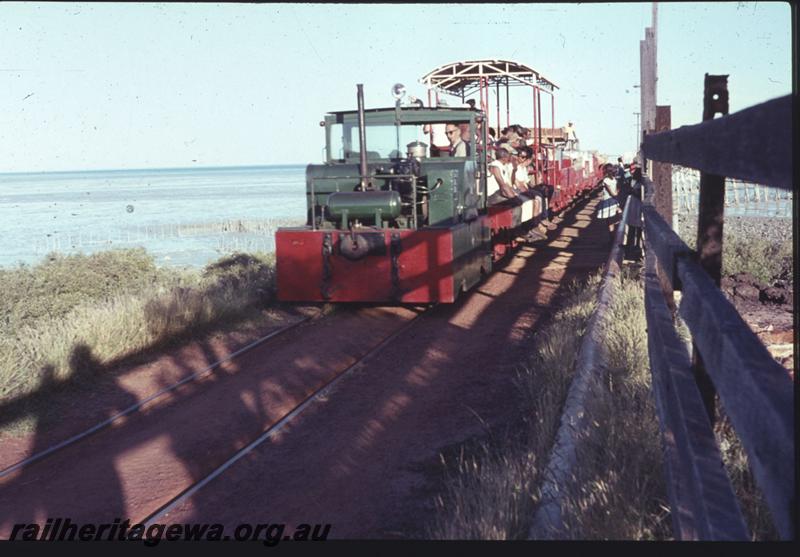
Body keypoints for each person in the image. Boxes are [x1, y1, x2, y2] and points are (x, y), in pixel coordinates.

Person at [597, 164, 620, 245]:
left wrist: (614, 194)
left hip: (608, 201)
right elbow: (616, 191)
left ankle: (612, 240)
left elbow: (612, 193)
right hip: (614, 201)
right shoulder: (614, 179)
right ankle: (613, 239)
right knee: (612, 221)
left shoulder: (606, 180)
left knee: (609, 223)